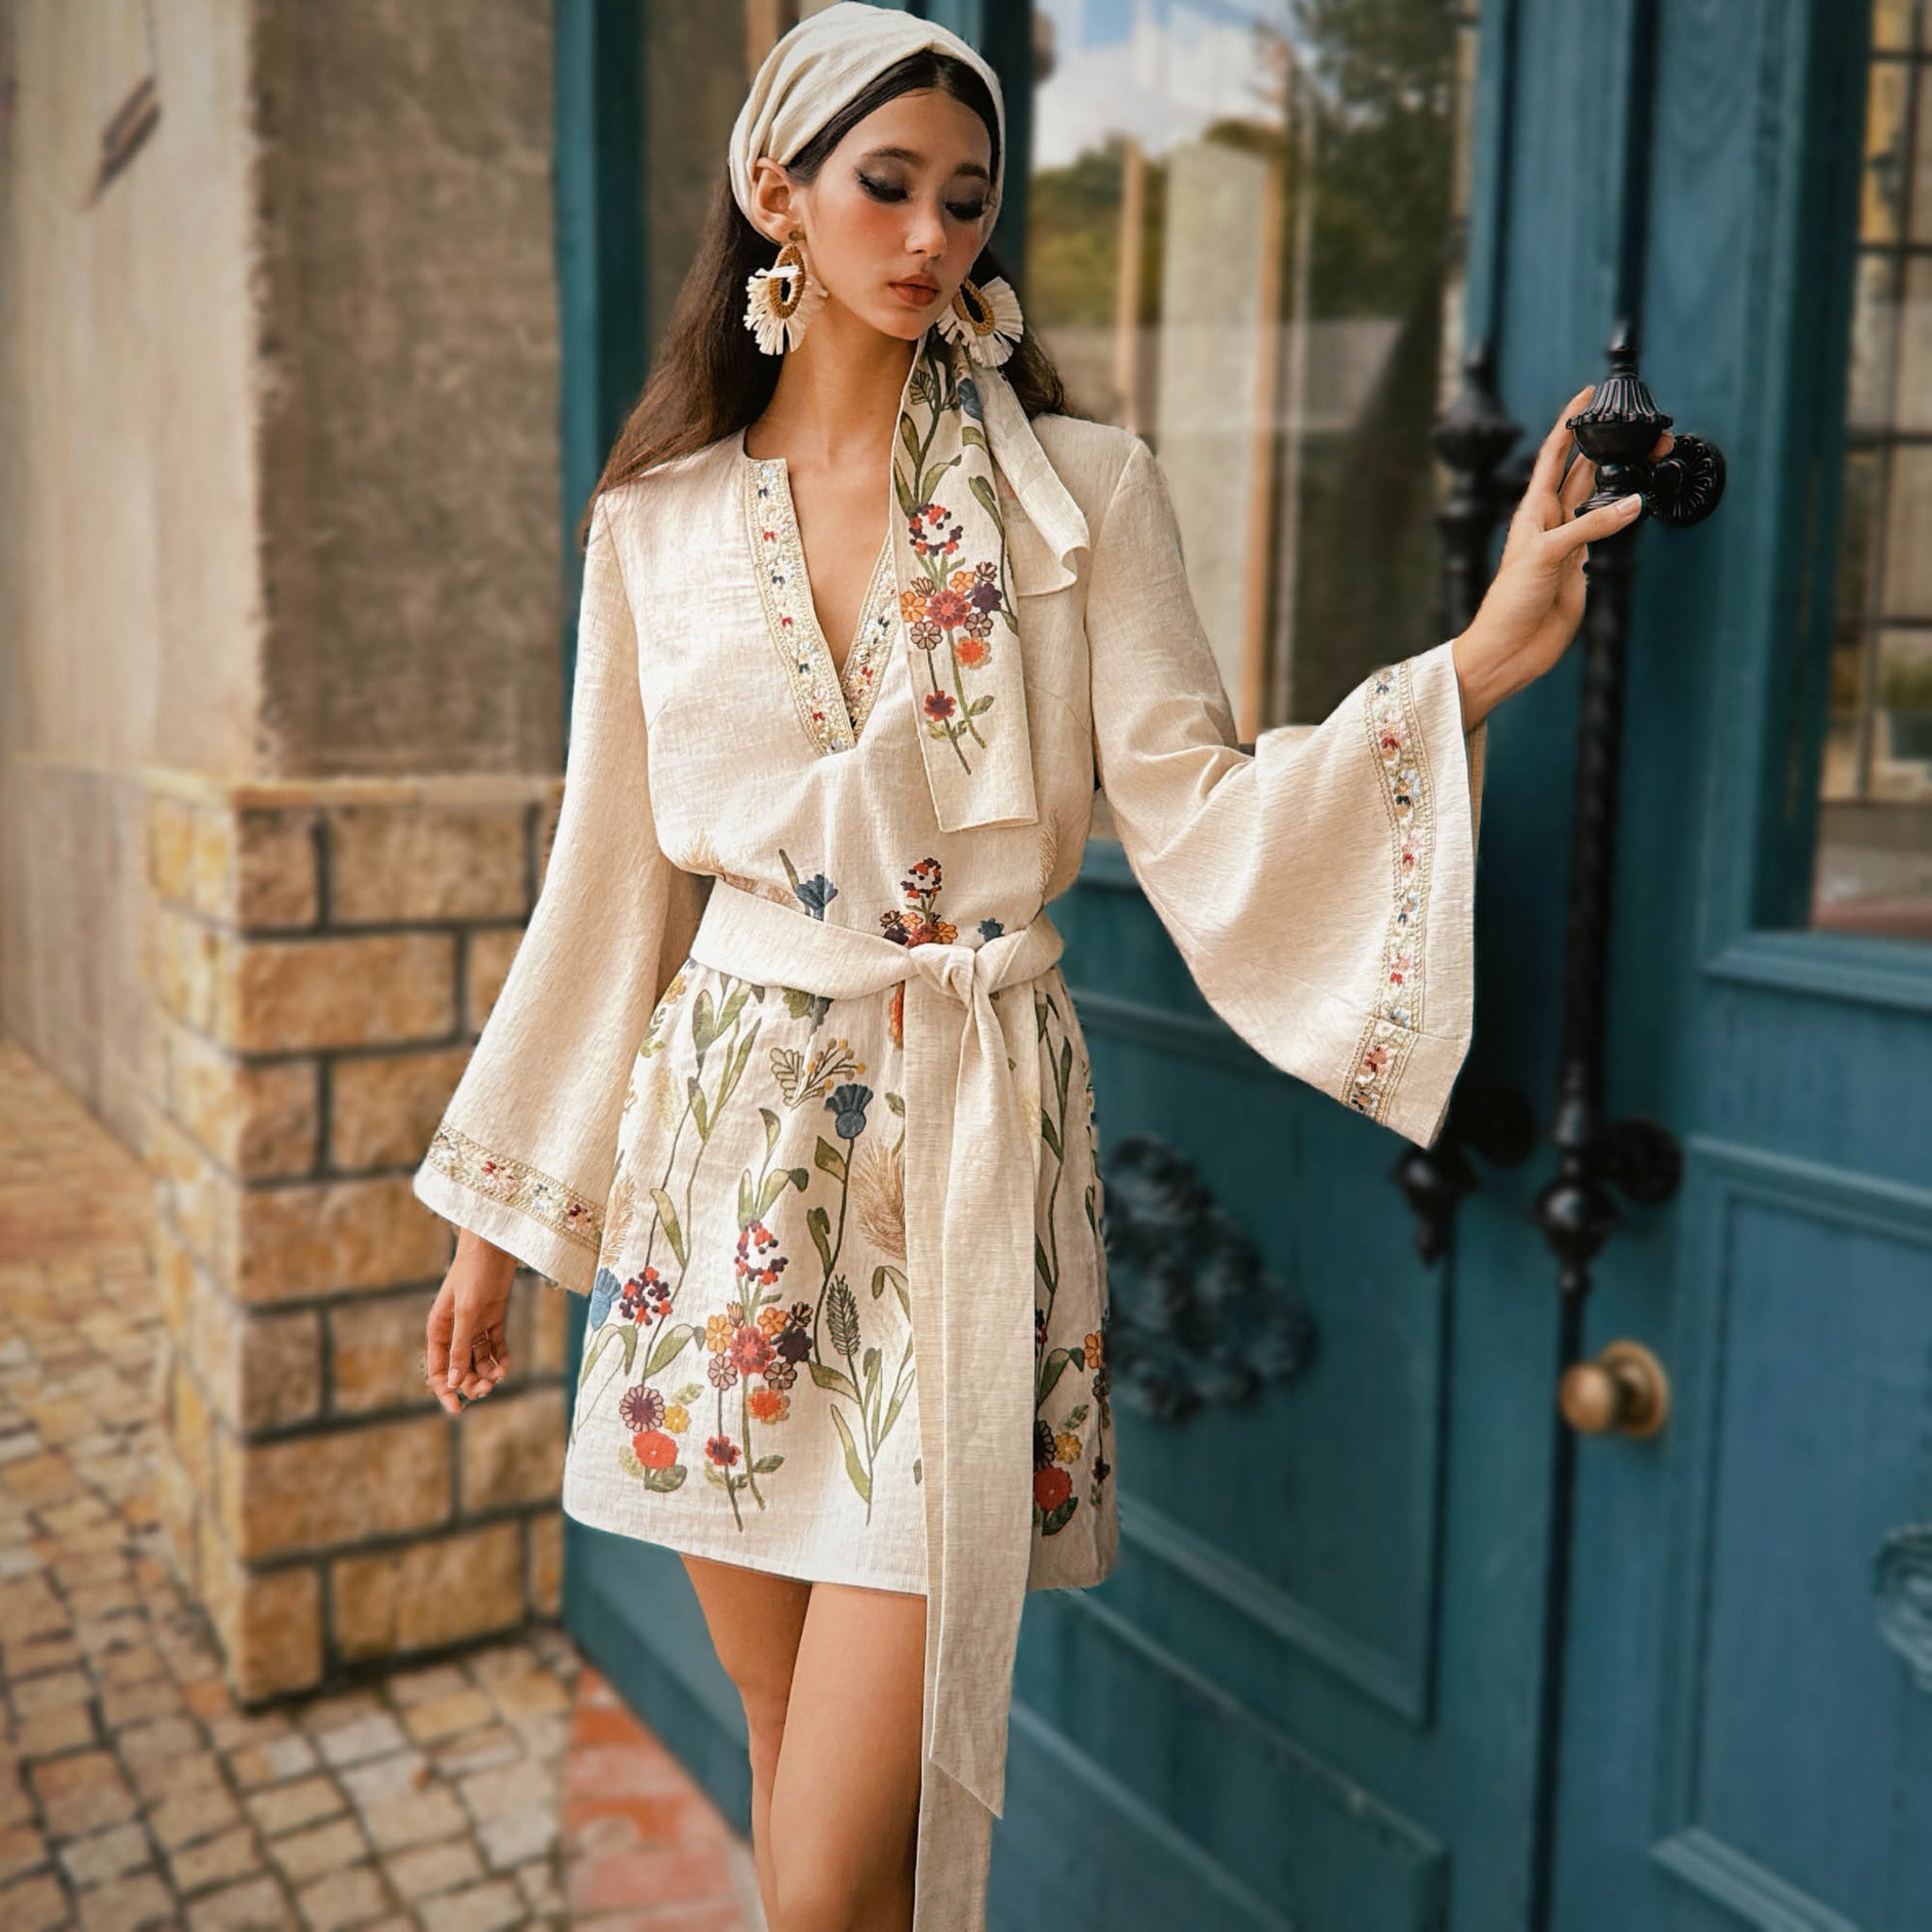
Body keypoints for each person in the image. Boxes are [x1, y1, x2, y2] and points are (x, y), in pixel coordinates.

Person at [414, 8, 1668, 1928]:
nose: (931, 235)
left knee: (842, 1862)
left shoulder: (1076, 497)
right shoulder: (650, 527)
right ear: (779, 194)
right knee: (775, 1747)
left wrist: (1481, 656)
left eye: (967, 199)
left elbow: (1205, 816)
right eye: (886, 185)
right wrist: (500, 1214)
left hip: (965, 1157)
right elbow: (609, 887)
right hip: (717, 1182)